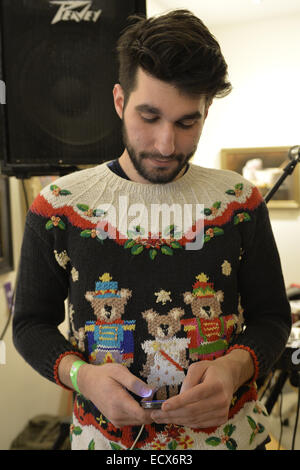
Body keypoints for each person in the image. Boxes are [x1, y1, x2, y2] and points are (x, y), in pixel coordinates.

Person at [13, 10, 291, 450]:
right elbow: (29, 325)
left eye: (187, 123)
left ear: (207, 110)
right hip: (108, 445)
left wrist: (233, 369)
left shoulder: (240, 201)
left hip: (232, 437)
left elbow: (273, 317)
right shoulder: (58, 207)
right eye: (149, 116)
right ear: (120, 101)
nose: (166, 145)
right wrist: (83, 378)